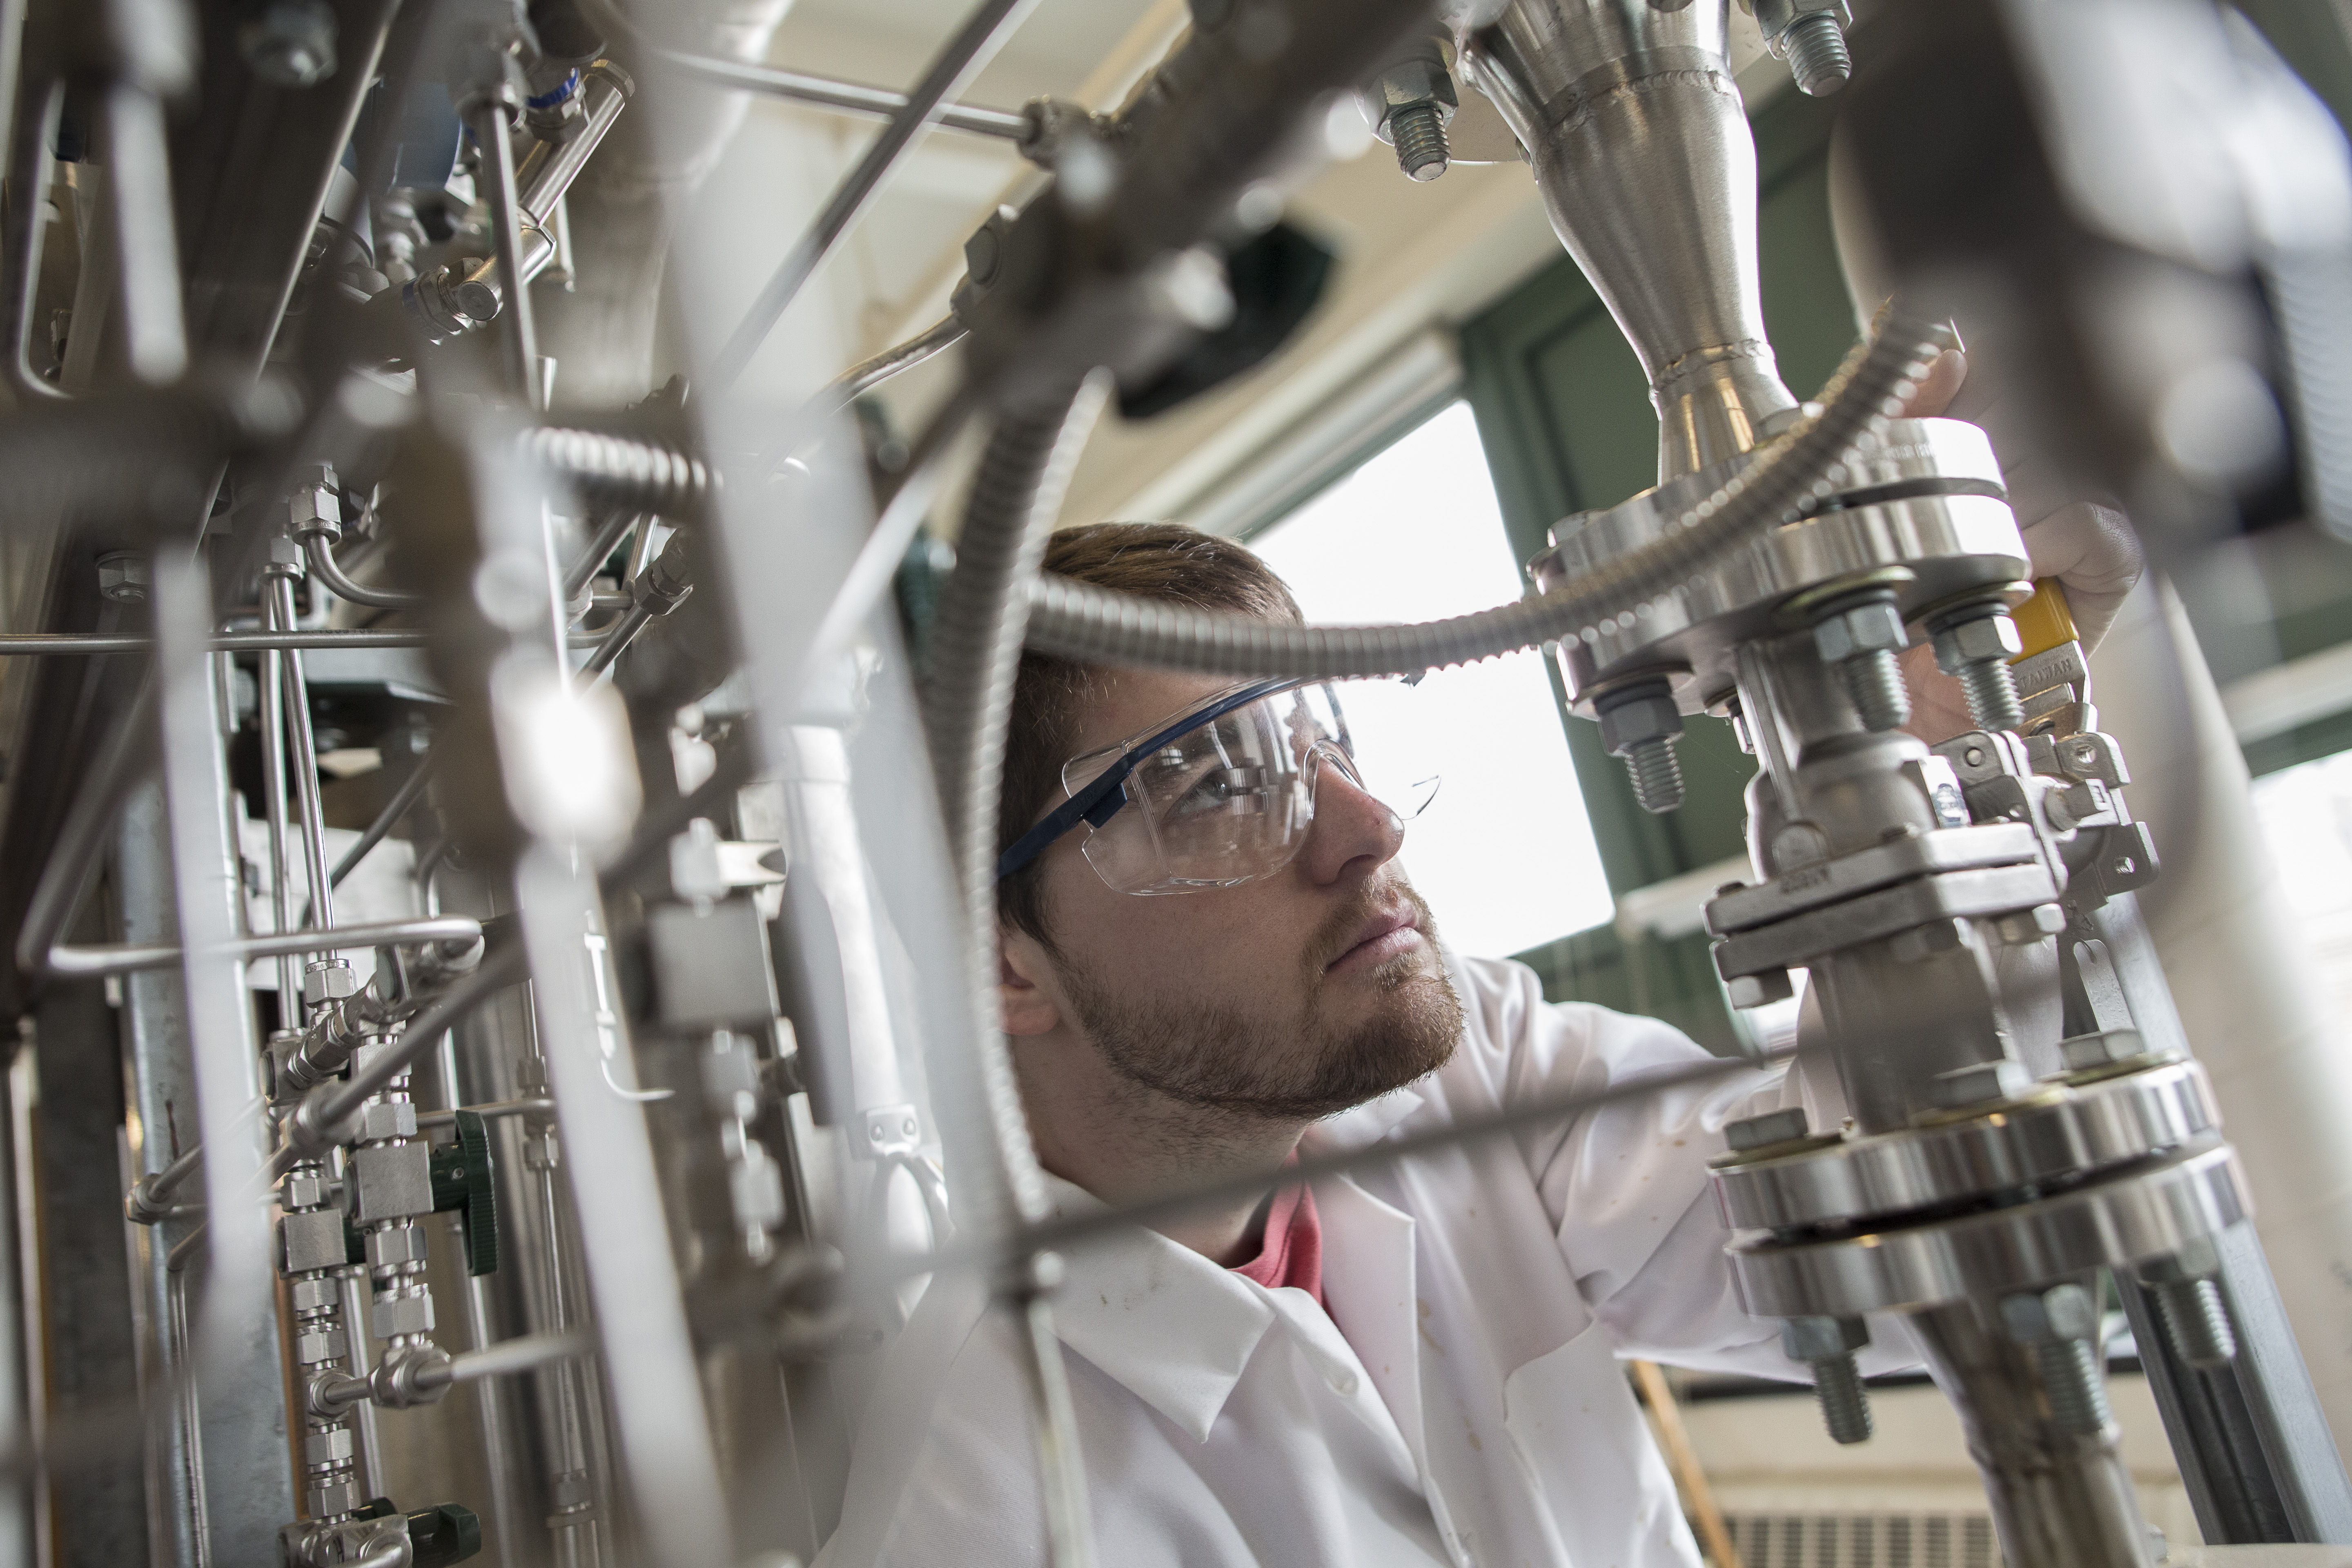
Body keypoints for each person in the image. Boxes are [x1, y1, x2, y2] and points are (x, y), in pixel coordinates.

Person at [817, 369, 2140, 1567]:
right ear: (998, 965)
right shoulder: (977, 1498)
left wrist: (1933, 754)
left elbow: (1922, 1249)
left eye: (1323, 742)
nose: (1367, 829)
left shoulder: (1468, 1070)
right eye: (1215, 787)